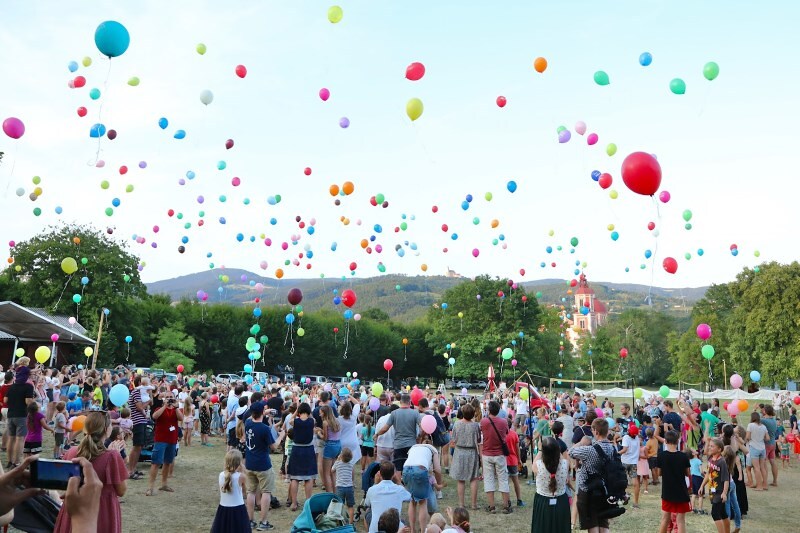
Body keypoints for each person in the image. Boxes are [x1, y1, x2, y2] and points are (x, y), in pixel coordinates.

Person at [54, 411, 128, 533]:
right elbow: (121, 491)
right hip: (102, 510)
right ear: (106, 429)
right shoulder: (112, 456)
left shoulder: (71, 452)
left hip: (74, 508)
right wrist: (117, 457)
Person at [569, 417, 616, 533]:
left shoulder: (589, 450)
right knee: (603, 523)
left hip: (588, 490)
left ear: (596, 431)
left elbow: (571, 452)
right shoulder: (612, 449)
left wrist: (581, 442)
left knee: (592, 524)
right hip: (605, 489)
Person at [244, 402, 282, 531]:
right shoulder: (265, 428)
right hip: (263, 465)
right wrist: (281, 436)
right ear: (262, 412)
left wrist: (262, 412)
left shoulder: (248, 424)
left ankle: (250, 521)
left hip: (249, 463)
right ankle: (263, 522)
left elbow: (249, 417)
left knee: (251, 492)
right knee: (266, 492)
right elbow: (274, 446)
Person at [403, 433, 444, 532]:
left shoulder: (413, 447)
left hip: (406, 469)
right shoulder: (433, 450)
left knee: (412, 501)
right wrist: (439, 484)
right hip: (420, 470)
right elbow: (437, 470)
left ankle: (412, 530)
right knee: (422, 502)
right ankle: (422, 531)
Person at [145, 390, 183, 497]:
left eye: (171, 397)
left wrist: (175, 407)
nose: (169, 399)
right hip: (161, 440)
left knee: (168, 462)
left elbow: (181, 418)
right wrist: (164, 406)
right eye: (167, 397)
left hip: (172, 440)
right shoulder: (159, 408)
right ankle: (150, 487)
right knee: (156, 463)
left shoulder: (176, 409)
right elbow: (155, 416)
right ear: (164, 399)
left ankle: (164, 484)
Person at [375, 393, 422, 479]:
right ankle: (409, 485)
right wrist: (420, 437)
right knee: (410, 467)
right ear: (410, 402)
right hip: (411, 445)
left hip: (398, 445)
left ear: (400, 402)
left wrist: (377, 434)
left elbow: (385, 428)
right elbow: (422, 427)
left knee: (398, 469)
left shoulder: (394, 413)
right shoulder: (415, 413)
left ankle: (399, 486)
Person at [531, 436, 570, 532]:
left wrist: (540, 449)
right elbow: (561, 457)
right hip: (561, 501)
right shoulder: (566, 464)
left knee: (542, 527)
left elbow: (534, 463)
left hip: (543, 501)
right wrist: (557, 448)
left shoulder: (538, 465)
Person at [480, 400, 512, 514]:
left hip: (487, 454)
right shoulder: (504, 422)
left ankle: (491, 506)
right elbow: (506, 433)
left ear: (489, 410)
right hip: (499, 454)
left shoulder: (483, 422)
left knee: (489, 479)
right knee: (503, 479)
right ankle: (506, 505)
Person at [654, 430, 690, 533]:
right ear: (678, 440)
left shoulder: (661, 456)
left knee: (665, 518)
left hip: (667, 491)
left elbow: (659, 473)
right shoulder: (683, 456)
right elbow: (687, 473)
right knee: (681, 521)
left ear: (665, 441)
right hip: (681, 491)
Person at [364, 461, 411, 533]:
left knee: (367, 513)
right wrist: (398, 482)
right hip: (395, 527)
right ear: (393, 475)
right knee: (404, 521)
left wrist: (375, 483)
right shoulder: (399, 489)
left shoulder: (372, 489)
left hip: (376, 528)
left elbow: (366, 503)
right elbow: (409, 497)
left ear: (380, 474)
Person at [450, 403, 481, 510]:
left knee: (460, 479)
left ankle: (461, 504)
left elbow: (453, 440)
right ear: (473, 414)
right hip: (472, 452)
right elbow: (478, 440)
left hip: (459, 452)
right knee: (473, 478)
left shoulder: (457, 424)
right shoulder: (476, 425)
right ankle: (473, 504)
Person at [211, 450, 250, 533]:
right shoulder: (241, 476)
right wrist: (243, 471)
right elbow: (244, 493)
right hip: (238, 509)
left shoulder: (221, 475)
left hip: (223, 509)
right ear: (239, 463)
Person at [4, 363, 35, 469]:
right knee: (20, 439)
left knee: (11, 438)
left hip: (11, 414)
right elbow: (28, 401)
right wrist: (34, 404)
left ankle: (9, 461)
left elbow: (5, 400)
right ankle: (16, 462)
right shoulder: (28, 387)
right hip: (21, 415)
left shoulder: (12, 386)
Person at [287, 402, 317, 511]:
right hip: (308, 450)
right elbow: (313, 418)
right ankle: (308, 503)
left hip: (296, 449)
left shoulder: (295, 421)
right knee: (308, 478)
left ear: (299, 412)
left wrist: (296, 411)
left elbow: (290, 420)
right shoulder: (311, 421)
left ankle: (294, 503)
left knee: (294, 478)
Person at [700, 438, 729, 533]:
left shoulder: (722, 462)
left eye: (712, 446)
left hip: (720, 492)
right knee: (722, 513)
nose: (710, 447)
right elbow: (708, 474)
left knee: (715, 513)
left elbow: (726, 479)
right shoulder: (710, 458)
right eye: (710, 445)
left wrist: (724, 493)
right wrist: (702, 486)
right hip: (712, 490)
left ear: (719, 449)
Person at [126, 375, 148, 480]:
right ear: (140, 383)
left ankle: (134, 469)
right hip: (137, 422)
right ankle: (130, 471)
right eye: (146, 383)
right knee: (136, 446)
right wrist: (148, 401)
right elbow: (140, 407)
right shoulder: (136, 392)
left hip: (142, 421)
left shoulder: (142, 393)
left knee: (140, 446)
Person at [316, 404, 341, 493]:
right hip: (338, 445)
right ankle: (335, 493)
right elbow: (333, 434)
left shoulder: (325, 422)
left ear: (325, 413)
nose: (320, 415)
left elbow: (326, 438)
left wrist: (319, 433)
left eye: (321, 413)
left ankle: (329, 493)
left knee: (326, 473)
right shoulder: (336, 421)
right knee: (333, 472)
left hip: (330, 446)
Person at [745, 411, 768, 491]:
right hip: (762, 448)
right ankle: (765, 484)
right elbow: (767, 438)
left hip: (754, 447)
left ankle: (759, 486)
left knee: (756, 468)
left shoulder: (750, 425)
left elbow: (747, 437)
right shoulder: (764, 426)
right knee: (762, 468)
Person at [619, 423, 641, 509]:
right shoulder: (637, 439)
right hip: (633, 462)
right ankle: (636, 503)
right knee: (635, 483)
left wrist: (616, 453)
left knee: (622, 481)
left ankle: (622, 499)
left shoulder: (626, 437)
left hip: (624, 461)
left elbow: (624, 450)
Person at [505, 418, 525, 507]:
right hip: (513, 460)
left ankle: (507, 501)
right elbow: (517, 449)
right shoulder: (514, 434)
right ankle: (519, 500)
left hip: (504, 461)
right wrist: (519, 459)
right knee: (516, 481)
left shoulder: (502, 435)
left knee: (505, 482)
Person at [333, 447, 356, 523]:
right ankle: (351, 522)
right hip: (349, 487)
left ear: (341, 456)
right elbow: (352, 476)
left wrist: (337, 459)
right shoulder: (351, 464)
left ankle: (339, 521)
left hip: (340, 487)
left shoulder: (338, 464)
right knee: (350, 506)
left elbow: (332, 470)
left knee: (339, 505)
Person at [761, 405, 779, 487]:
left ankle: (764, 481)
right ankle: (775, 481)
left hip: (766, 444)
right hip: (773, 443)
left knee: (764, 463)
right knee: (772, 462)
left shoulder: (765, 421)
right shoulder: (774, 420)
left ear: (765, 411)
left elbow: (755, 418)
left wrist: (755, 409)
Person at [689, 448, 705, 515]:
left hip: (693, 477)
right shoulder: (698, 461)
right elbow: (701, 471)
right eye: (694, 450)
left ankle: (693, 508)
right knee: (700, 495)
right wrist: (704, 475)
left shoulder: (690, 461)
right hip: (699, 478)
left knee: (694, 494)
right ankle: (700, 510)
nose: (696, 450)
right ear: (693, 454)